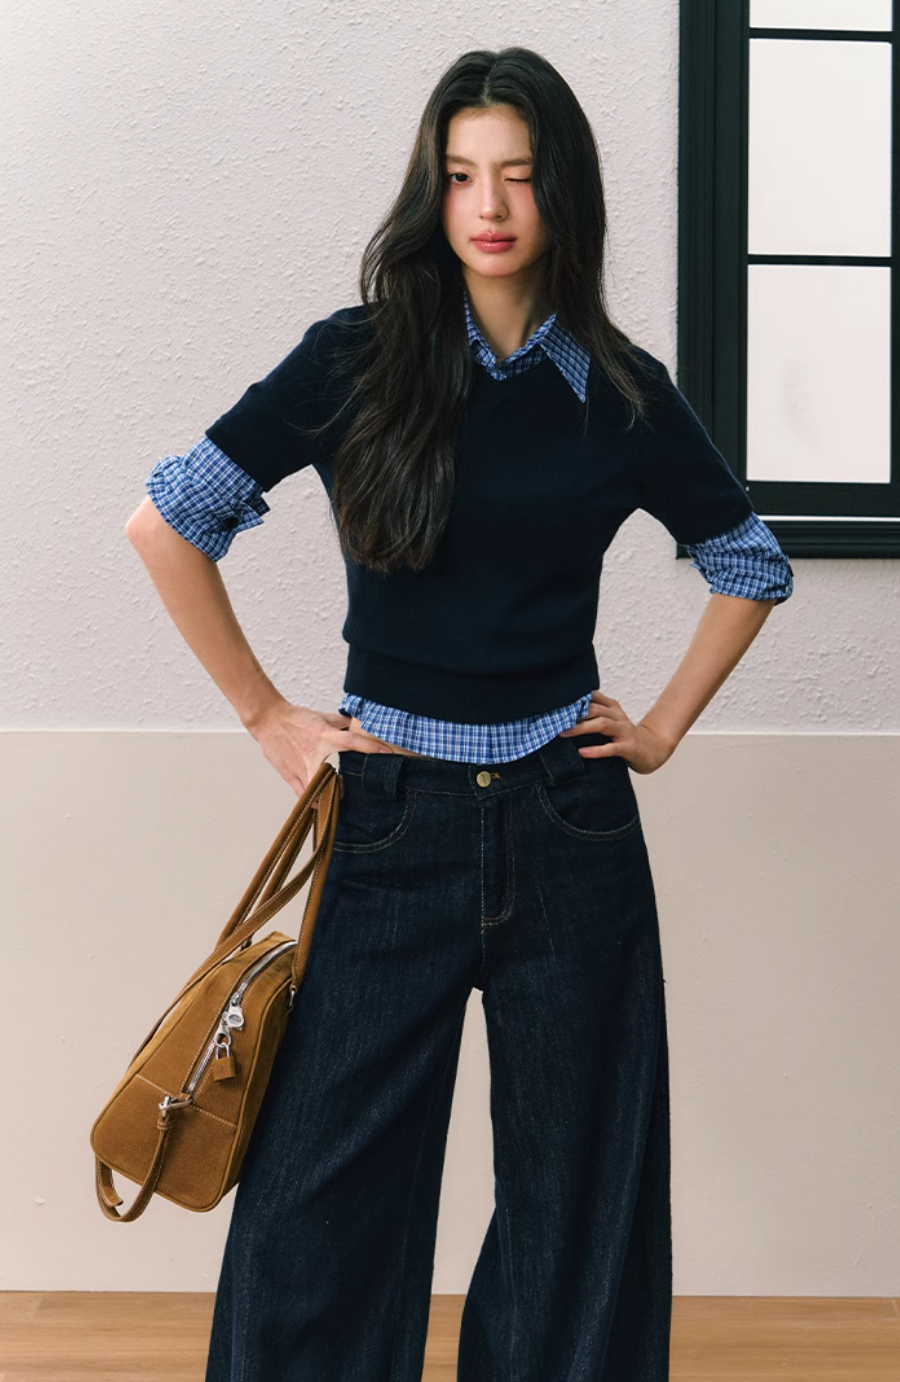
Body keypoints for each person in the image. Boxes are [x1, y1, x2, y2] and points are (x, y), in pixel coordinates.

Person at [125, 46, 793, 1382]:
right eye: (462, 176)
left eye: (521, 177)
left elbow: (748, 561)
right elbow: (168, 522)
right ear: (433, 191)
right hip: (387, 822)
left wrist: (655, 727)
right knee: (318, 1208)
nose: (489, 206)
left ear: (566, 196)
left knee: (576, 1202)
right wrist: (268, 715)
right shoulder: (357, 359)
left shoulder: (619, 387)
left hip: (569, 823)